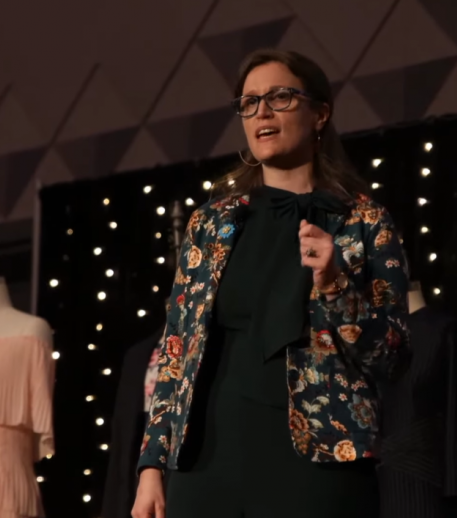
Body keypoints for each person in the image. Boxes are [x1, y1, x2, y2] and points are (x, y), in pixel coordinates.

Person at [131, 49, 411, 518]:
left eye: (280, 97)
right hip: (206, 461)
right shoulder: (211, 223)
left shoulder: (362, 222)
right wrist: (151, 467)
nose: (261, 111)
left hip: (319, 463)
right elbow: (175, 351)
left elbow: (394, 355)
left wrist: (336, 284)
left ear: (320, 113)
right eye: (249, 102)